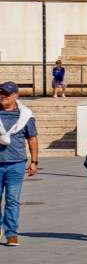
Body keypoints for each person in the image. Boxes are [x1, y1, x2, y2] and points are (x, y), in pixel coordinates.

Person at [0, 82, 38, 246]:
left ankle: (11, 233)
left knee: (12, 200)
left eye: (6, 94)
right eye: (0, 93)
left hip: (16, 163)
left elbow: (32, 139)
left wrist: (34, 161)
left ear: (16, 95)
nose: (2, 97)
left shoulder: (25, 116)